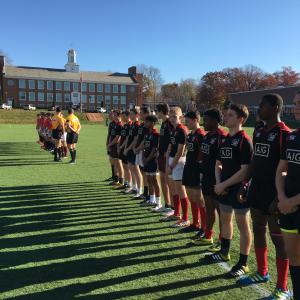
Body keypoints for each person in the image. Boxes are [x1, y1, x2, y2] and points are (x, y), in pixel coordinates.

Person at [237, 94, 292, 299]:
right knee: (258, 230)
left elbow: (288, 170)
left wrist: (279, 197)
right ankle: (262, 272)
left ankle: (282, 287)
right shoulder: (259, 130)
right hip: (256, 191)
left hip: (275, 195)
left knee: (280, 241)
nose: (258, 108)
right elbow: (253, 162)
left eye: (262, 105)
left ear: (275, 107)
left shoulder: (284, 134)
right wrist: (245, 184)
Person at [206, 103, 253, 278]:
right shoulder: (224, 139)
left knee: (243, 226)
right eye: (226, 115)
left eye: (231, 115)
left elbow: (244, 171)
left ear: (241, 119)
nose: (226, 117)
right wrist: (219, 183)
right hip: (223, 188)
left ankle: (243, 263)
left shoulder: (244, 141)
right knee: (225, 220)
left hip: (240, 190)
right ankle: (224, 252)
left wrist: (223, 185)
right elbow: (218, 164)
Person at [275, 91, 300, 300]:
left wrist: (292, 200)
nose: (295, 107)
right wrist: (282, 197)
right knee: (293, 256)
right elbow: (281, 169)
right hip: (288, 206)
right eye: (294, 103)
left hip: (293, 203)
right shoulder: (292, 136)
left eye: (299, 103)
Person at [192, 108, 227, 251]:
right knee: (209, 208)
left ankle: (221, 241)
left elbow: (224, 161)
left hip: (216, 180)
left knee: (221, 212)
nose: (203, 122)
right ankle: (208, 236)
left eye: (206, 119)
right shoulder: (207, 136)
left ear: (215, 121)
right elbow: (202, 155)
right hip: (206, 177)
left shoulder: (222, 136)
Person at [161, 106, 189, 228]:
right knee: (174, 189)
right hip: (172, 161)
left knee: (181, 190)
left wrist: (171, 166)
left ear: (181, 117)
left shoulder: (182, 130)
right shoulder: (173, 129)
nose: (172, 119)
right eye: (171, 116)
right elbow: (170, 148)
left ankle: (185, 218)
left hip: (179, 162)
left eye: (175, 117)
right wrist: (167, 161)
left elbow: (180, 151)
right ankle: (177, 213)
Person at [182, 111, 206, 232]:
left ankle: (204, 227)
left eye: (188, 121)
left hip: (196, 169)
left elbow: (202, 155)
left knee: (199, 199)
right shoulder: (190, 134)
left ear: (196, 120)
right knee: (191, 197)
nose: (186, 123)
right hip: (188, 167)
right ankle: (195, 223)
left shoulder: (201, 135)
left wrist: (200, 170)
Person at [155, 103, 174, 214]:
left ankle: (173, 207)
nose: (156, 113)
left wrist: (167, 152)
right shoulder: (163, 124)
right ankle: (167, 204)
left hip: (167, 157)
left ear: (161, 111)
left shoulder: (170, 123)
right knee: (163, 180)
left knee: (169, 182)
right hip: (161, 156)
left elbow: (172, 140)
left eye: (157, 111)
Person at [142, 115, 161, 208]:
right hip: (146, 160)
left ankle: (158, 202)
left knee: (154, 181)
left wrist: (147, 159)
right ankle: (152, 199)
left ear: (152, 123)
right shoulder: (147, 133)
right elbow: (145, 147)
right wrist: (143, 157)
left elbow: (155, 150)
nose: (145, 123)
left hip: (153, 160)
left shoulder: (156, 134)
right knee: (149, 180)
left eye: (147, 122)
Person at [124, 108, 142, 196]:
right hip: (129, 149)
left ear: (137, 115)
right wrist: (126, 147)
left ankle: (139, 190)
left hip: (134, 150)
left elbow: (135, 139)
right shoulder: (132, 125)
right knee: (131, 168)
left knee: (136, 169)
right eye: (130, 114)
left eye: (132, 114)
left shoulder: (138, 125)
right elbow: (128, 138)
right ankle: (134, 187)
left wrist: (129, 148)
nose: (130, 116)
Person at [134, 106, 150, 202]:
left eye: (142, 113)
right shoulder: (141, 125)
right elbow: (138, 137)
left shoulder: (148, 126)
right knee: (141, 171)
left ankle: (147, 193)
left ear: (146, 114)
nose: (140, 115)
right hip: (138, 151)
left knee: (146, 173)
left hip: (143, 151)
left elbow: (145, 140)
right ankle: (145, 192)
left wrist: (139, 148)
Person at [107, 111, 124, 187]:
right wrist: (108, 144)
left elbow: (118, 138)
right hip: (112, 146)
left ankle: (121, 181)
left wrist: (110, 144)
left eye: (114, 115)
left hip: (116, 146)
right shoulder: (114, 124)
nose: (112, 116)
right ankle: (116, 179)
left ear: (118, 116)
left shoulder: (120, 125)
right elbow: (111, 135)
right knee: (115, 163)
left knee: (119, 163)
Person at [118, 111, 132, 191]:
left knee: (127, 167)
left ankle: (129, 184)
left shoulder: (130, 125)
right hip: (123, 148)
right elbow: (122, 137)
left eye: (123, 116)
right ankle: (126, 183)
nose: (122, 118)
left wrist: (123, 147)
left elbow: (127, 138)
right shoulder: (125, 125)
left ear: (127, 116)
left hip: (126, 148)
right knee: (124, 166)